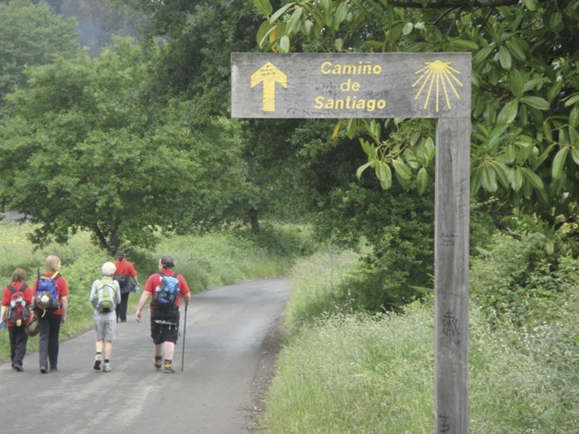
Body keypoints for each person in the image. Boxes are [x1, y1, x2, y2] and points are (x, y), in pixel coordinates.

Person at [135, 256, 191, 373]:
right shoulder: (179, 278)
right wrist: (186, 303)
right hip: (172, 311)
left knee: (158, 336)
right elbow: (187, 295)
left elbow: (146, 294)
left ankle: (158, 360)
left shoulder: (154, 278)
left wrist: (139, 310)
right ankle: (168, 364)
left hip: (157, 310)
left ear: (161, 265)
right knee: (170, 336)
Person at [33, 255, 68, 373]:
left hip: (41, 311)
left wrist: (34, 313)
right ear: (54, 265)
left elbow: (35, 298)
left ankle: (43, 364)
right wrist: (64, 315)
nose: (60, 265)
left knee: (43, 336)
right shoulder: (60, 279)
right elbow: (63, 299)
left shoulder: (39, 279)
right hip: (55, 311)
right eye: (59, 263)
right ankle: (53, 364)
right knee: (53, 337)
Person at [89, 262, 121, 372]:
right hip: (111, 315)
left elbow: (91, 298)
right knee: (108, 340)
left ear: (103, 271)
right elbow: (119, 300)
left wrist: (97, 306)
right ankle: (106, 364)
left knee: (99, 338)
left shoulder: (97, 282)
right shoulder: (115, 283)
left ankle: (98, 354)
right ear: (114, 272)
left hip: (98, 313)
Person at [0, 268, 34, 371]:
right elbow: (31, 304)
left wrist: (1, 319)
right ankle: (18, 361)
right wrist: (33, 316)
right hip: (24, 319)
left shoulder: (8, 289)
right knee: (22, 340)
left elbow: (4, 305)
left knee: (13, 340)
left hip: (11, 320)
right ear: (24, 277)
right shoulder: (27, 288)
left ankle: (14, 361)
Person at [113, 250, 140, 323]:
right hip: (126, 285)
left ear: (117, 256)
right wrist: (136, 282)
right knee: (124, 302)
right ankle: (123, 318)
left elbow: (111, 274)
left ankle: (116, 318)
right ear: (124, 256)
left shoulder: (113, 264)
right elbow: (134, 275)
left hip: (116, 285)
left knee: (116, 301)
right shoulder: (129, 264)